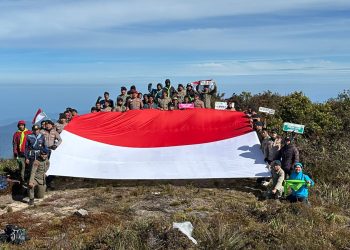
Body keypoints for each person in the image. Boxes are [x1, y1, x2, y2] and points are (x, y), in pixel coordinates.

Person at [12, 120, 31, 185]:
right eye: (20, 125)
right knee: (22, 167)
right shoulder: (16, 134)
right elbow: (15, 144)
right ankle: (23, 181)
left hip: (28, 153)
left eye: (22, 125)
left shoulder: (29, 132)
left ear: (24, 126)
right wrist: (15, 152)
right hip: (20, 154)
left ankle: (29, 180)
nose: (21, 126)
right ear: (18, 126)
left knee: (29, 167)